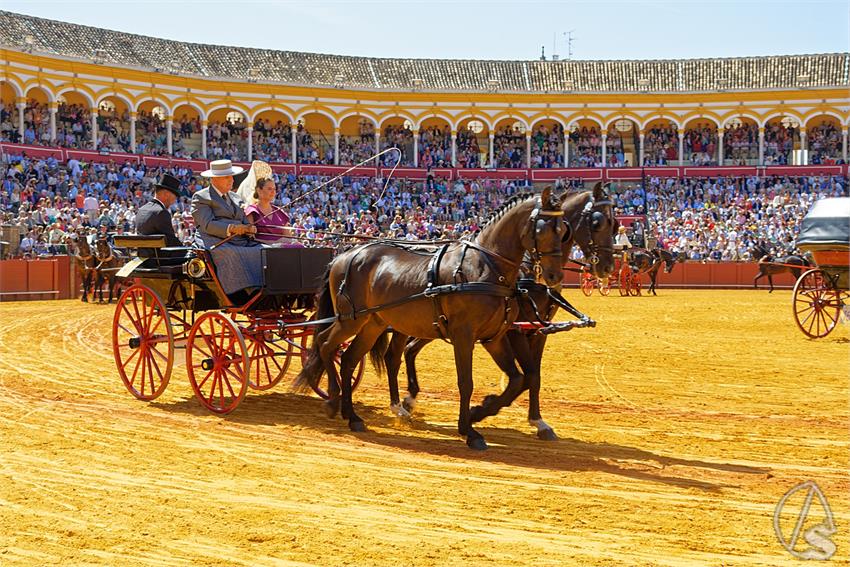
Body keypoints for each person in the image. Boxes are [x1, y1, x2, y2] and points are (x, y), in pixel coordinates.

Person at [191, 159, 263, 295]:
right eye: (226, 177)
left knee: (265, 250)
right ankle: (242, 292)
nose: (231, 180)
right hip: (214, 241)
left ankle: (262, 288)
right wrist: (232, 228)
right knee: (233, 254)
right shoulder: (201, 197)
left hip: (239, 241)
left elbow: (243, 220)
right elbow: (207, 224)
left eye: (231, 176)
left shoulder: (236, 198)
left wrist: (249, 228)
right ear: (214, 179)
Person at [135, 173, 182, 246]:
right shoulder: (161, 212)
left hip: (143, 254)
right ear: (166, 194)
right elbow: (172, 241)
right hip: (159, 256)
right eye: (175, 196)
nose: (175, 200)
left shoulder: (141, 209)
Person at [244, 177, 295, 244]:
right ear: (259, 190)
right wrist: (275, 243)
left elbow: (288, 238)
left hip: (282, 250)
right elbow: (251, 238)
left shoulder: (279, 211)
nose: (273, 192)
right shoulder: (251, 211)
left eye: (274, 189)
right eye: (269, 189)